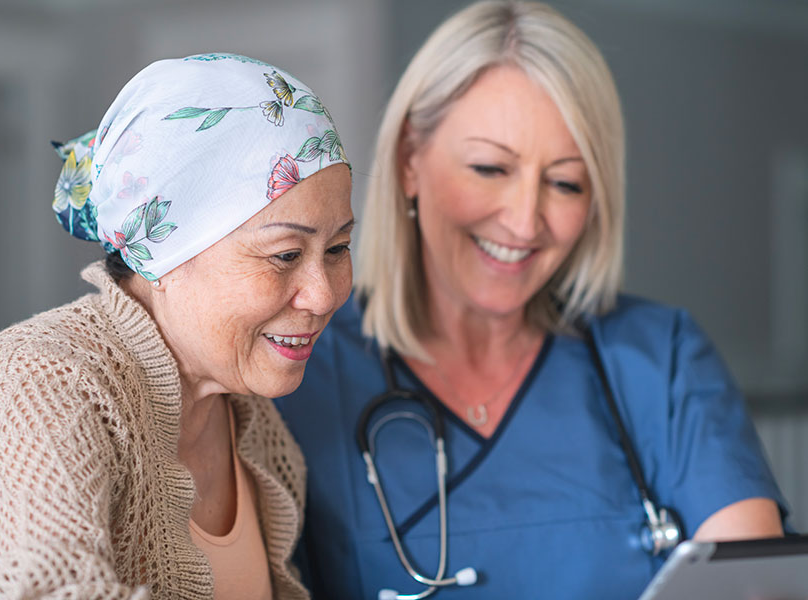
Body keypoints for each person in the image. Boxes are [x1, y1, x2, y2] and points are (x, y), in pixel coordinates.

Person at [274, 2, 788, 598]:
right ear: (410, 159)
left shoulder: (660, 362)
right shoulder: (301, 370)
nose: (524, 222)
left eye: (565, 182)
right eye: (491, 168)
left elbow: (756, 585)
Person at [0, 53, 353, 599]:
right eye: (285, 255)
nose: (326, 294)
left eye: (337, 248)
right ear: (161, 254)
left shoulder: (253, 421)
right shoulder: (35, 384)